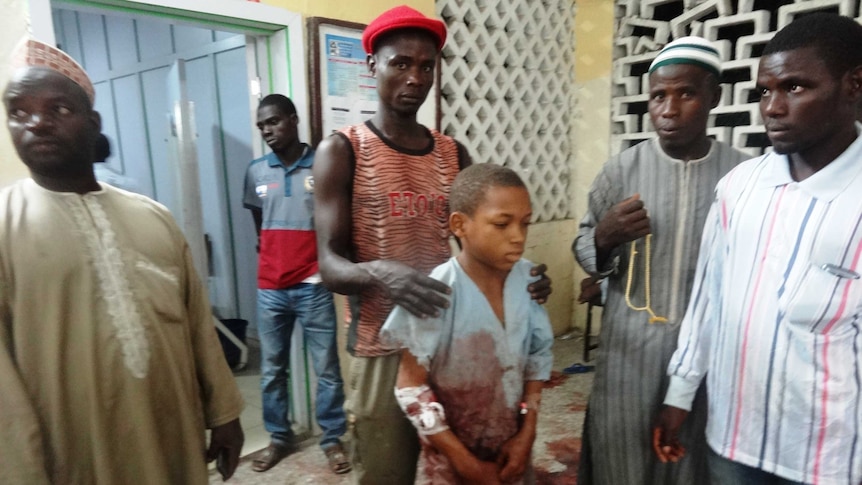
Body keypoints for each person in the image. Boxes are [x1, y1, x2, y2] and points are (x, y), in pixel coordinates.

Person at [312, 6, 551, 483]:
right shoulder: (342, 150)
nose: (415, 78)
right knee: (386, 472)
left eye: (426, 66)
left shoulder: (451, 153)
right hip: (381, 345)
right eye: (400, 63)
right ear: (371, 67)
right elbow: (329, 265)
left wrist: (521, 277)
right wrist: (382, 272)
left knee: (461, 466)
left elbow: (475, 244)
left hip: (453, 346)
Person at [0, 39, 244, 484]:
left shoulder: (153, 217)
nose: (37, 123)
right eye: (18, 111)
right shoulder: (3, 225)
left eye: (58, 109)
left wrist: (224, 413)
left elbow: (196, 329)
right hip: (71, 453)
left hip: (172, 434)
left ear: (93, 123)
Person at [654, 13, 862, 485]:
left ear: (854, 84)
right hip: (732, 440)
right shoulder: (739, 189)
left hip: (829, 457)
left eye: (795, 88)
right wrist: (680, 393)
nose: (772, 107)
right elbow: (709, 300)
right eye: (765, 91)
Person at [572, 36, 747, 485]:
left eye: (685, 94)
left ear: (714, 96)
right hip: (628, 351)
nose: (669, 109)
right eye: (658, 96)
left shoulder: (742, 176)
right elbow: (587, 246)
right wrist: (606, 237)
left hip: (706, 354)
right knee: (621, 458)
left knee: (688, 462)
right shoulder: (621, 171)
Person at [381, 163, 554, 484]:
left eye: (525, 224)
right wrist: (464, 462)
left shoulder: (528, 280)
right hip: (450, 462)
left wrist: (527, 432)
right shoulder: (438, 292)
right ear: (460, 225)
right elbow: (410, 387)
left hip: (510, 452)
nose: (518, 237)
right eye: (502, 224)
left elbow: (537, 358)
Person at [242, 94, 349, 474]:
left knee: (327, 369)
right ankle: (279, 438)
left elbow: (335, 221)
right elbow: (259, 227)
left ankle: (332, 438)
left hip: (313, 285)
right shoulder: (256, 171)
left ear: (293, 119)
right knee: (272, 371)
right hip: (270, 287)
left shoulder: (321, 164)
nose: (267, 131)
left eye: (273, 122)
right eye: (261, 126)